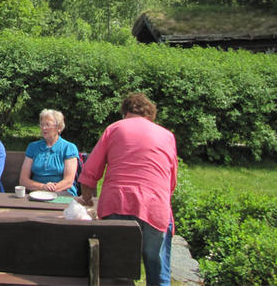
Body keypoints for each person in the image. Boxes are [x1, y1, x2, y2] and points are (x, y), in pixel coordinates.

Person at [77, 93, 177, 286]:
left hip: (117, 204)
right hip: (154, 207)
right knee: (157, 268)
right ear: (150, 115)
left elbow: (90, 171)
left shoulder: (114, 129)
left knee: (117, 270)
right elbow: (170, 182)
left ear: (125, 113)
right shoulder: (167, 135)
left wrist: (87, 198)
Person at [18, 109, 79, 195]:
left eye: (48, 125)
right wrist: (43, 187)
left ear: (59, 128)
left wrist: (52, 188)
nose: (43, 128)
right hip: (37, 192)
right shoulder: (33, 147)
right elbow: (23, 180)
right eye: (42, 124)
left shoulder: (69, 148)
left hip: (63, 192)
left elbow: (68, 181)